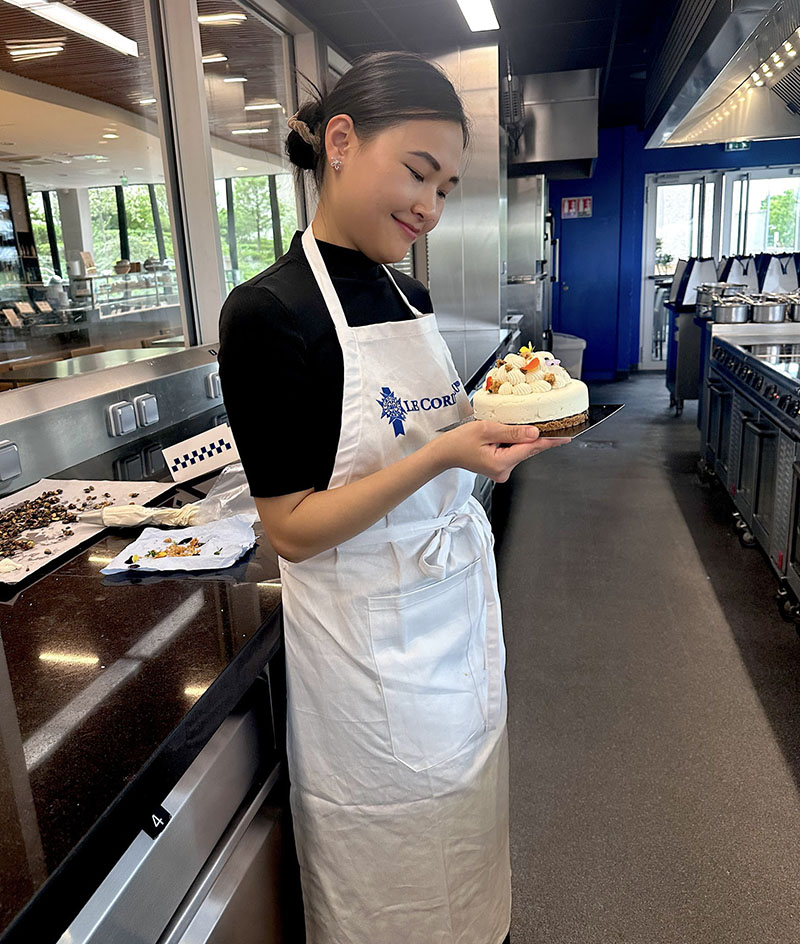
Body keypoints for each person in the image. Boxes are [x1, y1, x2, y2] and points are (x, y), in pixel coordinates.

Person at [218, 51, 565, 944]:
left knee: (474, 866)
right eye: (417, 173)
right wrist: (443, 452)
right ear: (340, 142)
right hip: (368, 660)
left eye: (446, 187)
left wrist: (482, 455)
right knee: (395, 896)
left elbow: (433, 451)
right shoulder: (268, 313)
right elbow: (291, 529)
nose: (429, 208)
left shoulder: (408, 292)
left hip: (455, 632)